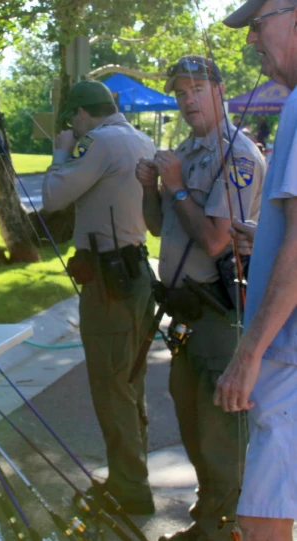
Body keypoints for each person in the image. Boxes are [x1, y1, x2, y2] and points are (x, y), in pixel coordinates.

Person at [136, 55, 265, 541]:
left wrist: (175, 186)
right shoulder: (187, 153)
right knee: (192, 423)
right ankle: (207, 520)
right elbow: (156, 226)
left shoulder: (238, 155)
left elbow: (214, 241)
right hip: (185, 314)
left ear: (220, 90)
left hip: (219, 311)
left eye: (195, 89)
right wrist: (152, 189)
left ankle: (226, 528)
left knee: (221, 432)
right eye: (179, 92)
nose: (187, 100)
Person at [41, 81, 157, 514]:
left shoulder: (98, 141)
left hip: (111, 280)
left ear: (83, 114)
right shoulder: (140, 137)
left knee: (112, 387)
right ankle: (132, 473)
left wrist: (62, 150)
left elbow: (53, 197)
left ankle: (129, 488)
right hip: (137, 270)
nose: (71, 125)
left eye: (72, 118)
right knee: (130, 382)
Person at [215, 2, 297, 540]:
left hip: (288, 358)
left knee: (260, 518)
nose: (250, 41)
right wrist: (263, 238)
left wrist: (247, 355)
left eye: (257, 23)